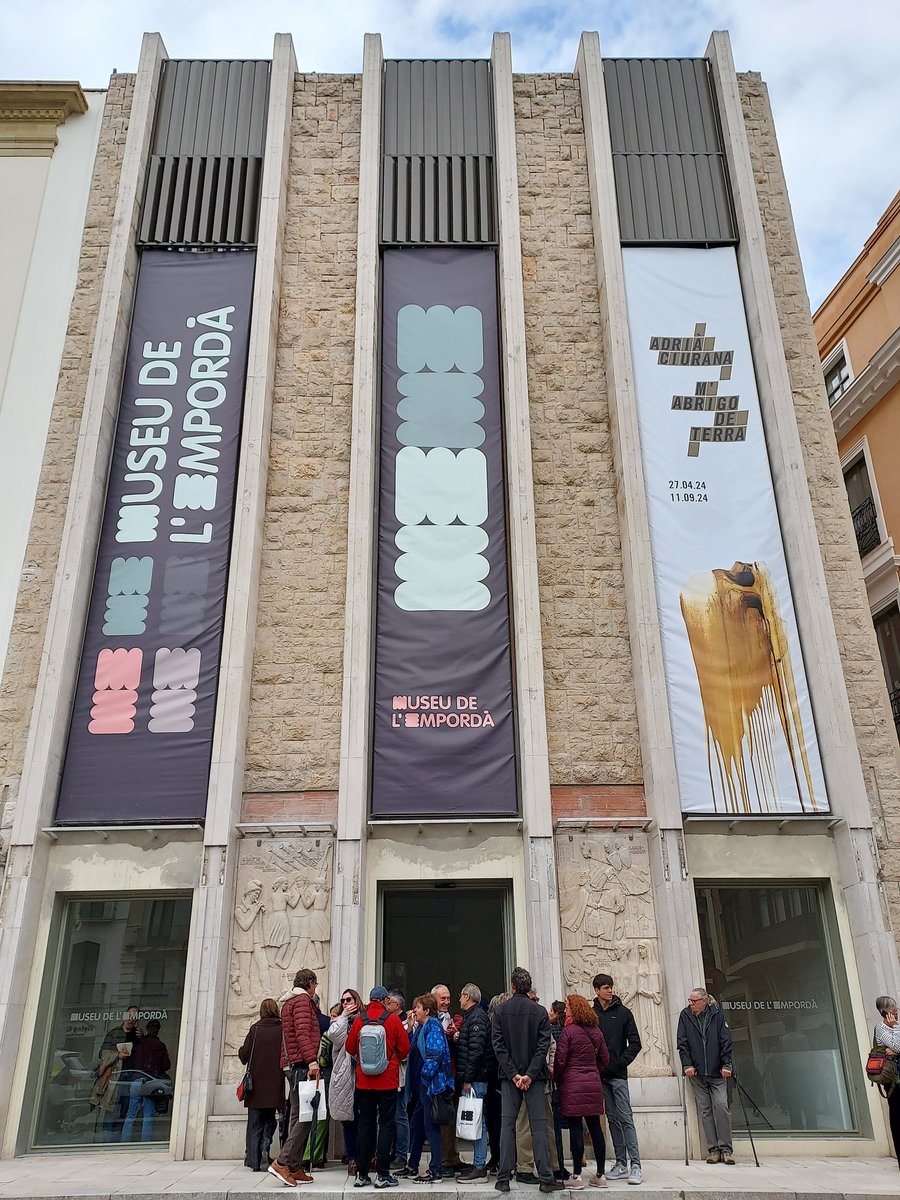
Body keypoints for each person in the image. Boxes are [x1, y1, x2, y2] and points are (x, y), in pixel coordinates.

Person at [491, 967, 561, 1195]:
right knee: (538, 1127)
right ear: (528, 986)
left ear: (512, 986)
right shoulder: (540, 1012)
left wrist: (513, 1074)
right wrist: (530, 1074)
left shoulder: (500, 1012)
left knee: (507, 1126)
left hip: (510, 1078)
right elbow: (543, 1047)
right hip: (535, 1079)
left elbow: (498, 1047)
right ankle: (546, 1177)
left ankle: (503, 1177)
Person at [346, 984, 411, 1188]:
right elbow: (404, 1049)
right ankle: (382, 1174)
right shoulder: (392, 1020)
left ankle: (362, 1173)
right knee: (386, 1125)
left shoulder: (360, 1020)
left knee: (365, 1126)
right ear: (384, 1001)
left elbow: (349, 1048)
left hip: (364, 1082)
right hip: (387, 1082)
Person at [268, 967, 322, 1186]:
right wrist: (312, 1060)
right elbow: (302, 1032)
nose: (315, 988)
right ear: (309, 983)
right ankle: (282, 1162)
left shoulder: (289, 1002)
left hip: (293, 1064)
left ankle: (294, 1165)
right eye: (315, 984)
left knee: (297, 1115)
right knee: (305, 1116)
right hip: (301, 1064)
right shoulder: (301, 1001)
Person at [553, 995, 609, 1189]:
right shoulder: (596, 1031)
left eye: (568, 1006)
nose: (566, 1009)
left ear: (574, 1009)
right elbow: (605, 1059)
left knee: (576, 1128)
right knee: (595, 1128)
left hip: (573, 1084)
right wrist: (593, 1071)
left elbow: (560, 1060)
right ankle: (600, 1175)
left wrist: (559, 1077)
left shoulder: (568, 1032)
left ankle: (576, 1176)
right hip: (592, 1084)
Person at [592, 973, 643, 1185]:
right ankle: (621, 1163)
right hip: (601, 1076)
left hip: (618, 1075)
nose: (609, 990)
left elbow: (636, 1043)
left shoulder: (624, 1013)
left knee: (626, 1118)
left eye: (611, 987)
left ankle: (636, 1165)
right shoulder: (591, 1014)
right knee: (612, 1119)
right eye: (605, 987)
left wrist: (620, 1063)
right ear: (596, 990)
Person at [676, 987, 734, 1165]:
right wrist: (687, 1064)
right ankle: (713, 1149)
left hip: (717, 1072)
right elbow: (682, 1042)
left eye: (694, 1001)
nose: (691, 1004)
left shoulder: (717, 1015)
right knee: (705, 1110)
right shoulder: (685, 1016)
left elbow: (726, 1040)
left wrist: (727, 1064)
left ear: (704, 1001)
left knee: (722, 1106)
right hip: (697, 1073)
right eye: (690, 1001)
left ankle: (726, 1149)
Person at [405, 992, 452, 1183]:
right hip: (420, 1087)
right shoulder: (421, 1027)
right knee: (417, 1125)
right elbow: (412, 1050)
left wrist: (424, 1077)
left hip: (430, 1086)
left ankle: (435, 1170)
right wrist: (409, 1027)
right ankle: (412, 1166)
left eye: (417, 1007)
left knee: (430, 1126)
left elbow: (435, 1054)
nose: (414, 1010)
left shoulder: (432, 1025)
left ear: (426, 1010)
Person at [237, 999, 285, 1170]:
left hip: (256, 1085)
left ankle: (254, 1159)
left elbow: (244, 1055)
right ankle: (265, 1149)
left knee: (255, 1123)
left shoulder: (255, 1029)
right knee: (270, 1121)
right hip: (275, 1084)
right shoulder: (282, 1029)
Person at [456, 983, 492, 1181]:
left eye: (461, 996)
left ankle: (479, 1165)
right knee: (477, 1120)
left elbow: (476, 1051)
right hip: (475, 1077)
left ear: (467, 996)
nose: (459, 1000)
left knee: (478, 1121)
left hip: (476, 1079)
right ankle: (478, 1163)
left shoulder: (476, 1017)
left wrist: (468, 1079)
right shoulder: (474, 1017)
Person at [329, 988, 363, 1175]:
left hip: (363, 1074)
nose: (345, 1003)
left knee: (365, 1119)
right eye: (342, 1000)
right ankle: (352, 1159)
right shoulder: (340, 1021)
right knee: (348, 1121)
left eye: (348, 999)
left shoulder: (364, 1018)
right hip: (345, 1075)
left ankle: (366, 1156)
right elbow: (334, 1036)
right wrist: (342, 1017)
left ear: (356, 1000)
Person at [432, 982, 463, 1174]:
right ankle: (441, 1160)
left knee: (450, 1118)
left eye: (448, 998)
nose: (446, 1002)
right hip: (435, 1077)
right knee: (436, 1119)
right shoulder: (428, 1019)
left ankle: (451, 1157)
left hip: (450, 1076)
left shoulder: (454, 1019)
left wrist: (455, 1035)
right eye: (442, 998)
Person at [384, 989, 410, 1172]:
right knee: (391, 1115)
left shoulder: (405, 1024)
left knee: (400, 1115)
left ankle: (401, 1154)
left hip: (401, 1076)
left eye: (389, 1002)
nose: (386, 1005)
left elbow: (404, 1051)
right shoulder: (390, 1021)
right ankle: (393, 1151)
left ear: (397, 1005)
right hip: (390, 1076)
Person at [874, 995, 900, 1170]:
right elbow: (898, 1047)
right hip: (893, 1080)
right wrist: (895, 1028)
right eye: (893, 1009)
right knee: (897, 1117)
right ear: (886, 1012)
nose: (897, 1012)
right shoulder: (882, 1028)